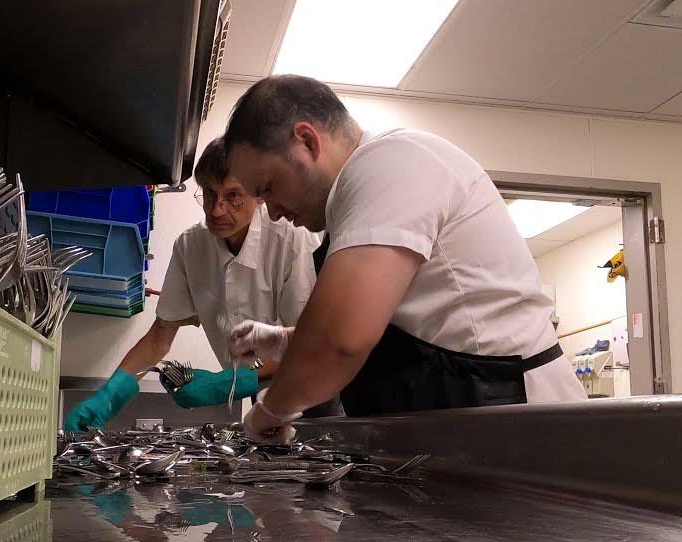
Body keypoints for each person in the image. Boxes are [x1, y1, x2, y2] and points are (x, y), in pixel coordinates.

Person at [222, 75, 586, 442]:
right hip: (467, 417)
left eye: (267, 188)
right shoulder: (357, 196)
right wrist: (285, 341)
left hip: (516, 421)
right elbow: (415, 329)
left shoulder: (388, 163)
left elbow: (340, 340)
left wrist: (269, 413)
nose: (271, 213)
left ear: (307, 141)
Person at [64, 137, 321, 431]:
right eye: (209, 195)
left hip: (315, 391)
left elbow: (309, 344)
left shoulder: (292, 240)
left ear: (259, 194)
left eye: (233, 196)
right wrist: (108, 397)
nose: (217, 210)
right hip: (261, 396)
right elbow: (160, 336)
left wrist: (228, 381)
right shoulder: (191, 246)